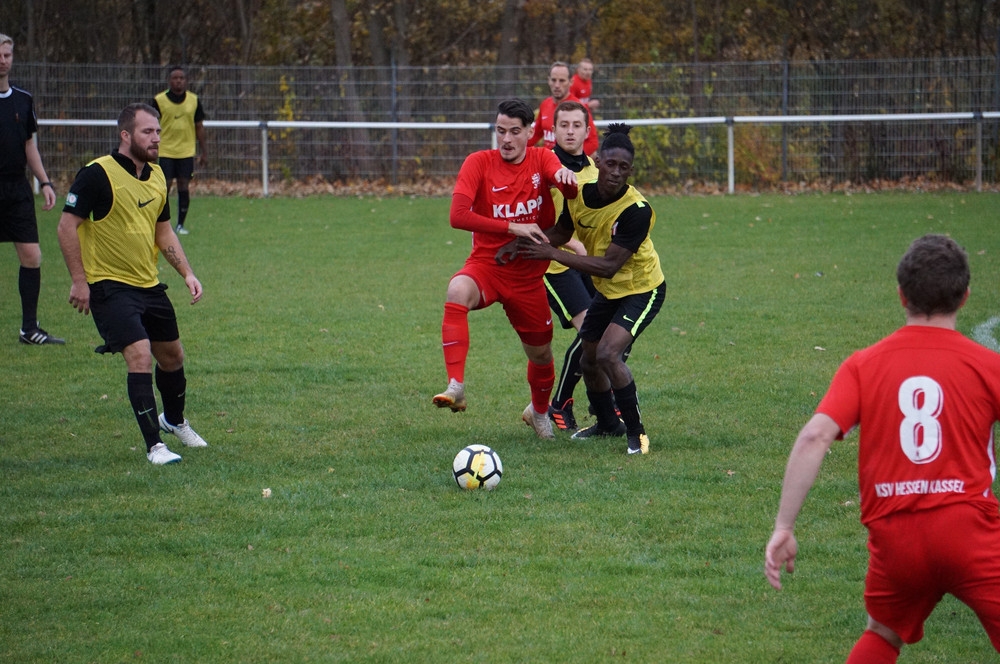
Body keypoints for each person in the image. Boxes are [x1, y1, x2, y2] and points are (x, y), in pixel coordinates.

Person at [764, 234, 1000, 663]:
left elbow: (814, 436)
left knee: (883, 633)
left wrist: (784, 525)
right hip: (970, 529)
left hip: (897, 535)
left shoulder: (864, 364)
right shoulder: (987, 365)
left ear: (901, 295)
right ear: (965, 297)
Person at [56, 103, 208, 465]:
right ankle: (155, 447)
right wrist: (80, 281)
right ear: (126, 135)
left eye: (157, 131)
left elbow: (163, 230)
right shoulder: (97, 174)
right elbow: (66, 226)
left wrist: (186, 272)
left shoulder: (156, 176)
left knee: (172, 357)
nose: (156, 138)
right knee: (139, 354)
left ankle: (173, 421)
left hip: (149, 285)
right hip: (109, 286)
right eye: (147, 132)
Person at [512, 123, 664, 455]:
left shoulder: (636, 211)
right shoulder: (578, 192)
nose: (616, 173)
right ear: (599, 160)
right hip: (608, 290)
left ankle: (636, 435)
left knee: (609, 354)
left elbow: (609, 265)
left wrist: (552, 254)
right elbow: (564, 228)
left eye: (624, 168)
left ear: (630, 171)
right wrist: (523, 243)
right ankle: (608, 423)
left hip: (641, 289)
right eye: (610, 164)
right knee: (589, 358)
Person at [433, 98, 579, 440]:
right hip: (487, 267)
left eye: (515, 132)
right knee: (456, 289)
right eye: (501, 131)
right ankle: (456, 386)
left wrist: (566, 179)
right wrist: (513, 227)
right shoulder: (478, 163)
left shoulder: (543, 157)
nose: (507, 139)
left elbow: (566, 187)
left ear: (530, 132)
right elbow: (458, 216)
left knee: (541, 353)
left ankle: (538, 413)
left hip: (528, 277)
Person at [0, 33, 63, 345]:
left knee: (32, 256)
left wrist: (46, 181)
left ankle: (29, 329)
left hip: (17, 191)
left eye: (7, 55)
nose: (2, 60)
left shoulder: (23, 100)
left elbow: (29, 146)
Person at [543, 100, 598, 431]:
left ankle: (570, 401)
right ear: (553, 129)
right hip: (553, 265)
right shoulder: (544, 166)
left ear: (587, 131)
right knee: (593, 330)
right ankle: (560, 403)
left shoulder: (592, 169)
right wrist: (573, 244)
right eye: (564, 125)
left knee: (610, 334)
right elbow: (537, 220)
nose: (570, 131)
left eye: (577, 125)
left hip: (585, 263)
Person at [151, 66, 207, 235]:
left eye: (181, 78)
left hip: (186, 151)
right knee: (164, 187)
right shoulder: (159, 100)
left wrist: (204, 151)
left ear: (186, 80)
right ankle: (161, 223)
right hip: (165, 150)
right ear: (169, 80)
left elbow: (199, 126)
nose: (178, 81)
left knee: (184, 185)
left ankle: (180, 225)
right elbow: (150, 125)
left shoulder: (194, 100)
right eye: (175, 78)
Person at [528, 62, 599, 156]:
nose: (557, 85)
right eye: (553, 80)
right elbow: (535, 135)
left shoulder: (579, 107)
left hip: (568, 167)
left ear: (571, 82)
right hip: (547, 164)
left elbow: (593, 143)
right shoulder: (545, 104)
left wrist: (570, 160)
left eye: (562, 81)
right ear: (548, 81)